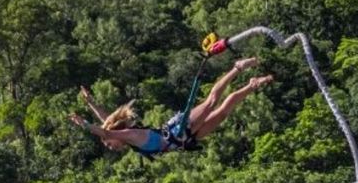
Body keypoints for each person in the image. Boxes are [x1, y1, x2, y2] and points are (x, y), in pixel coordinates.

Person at [69, 57, 272, 155]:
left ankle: (237, 67)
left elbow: (105, 132)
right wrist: (90, 103)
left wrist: (84, 125)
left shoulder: (129, 135)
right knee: (223, 112)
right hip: (185, 139)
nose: (109, 146)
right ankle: (251, 85)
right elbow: (107, 121)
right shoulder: (129, 139)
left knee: (210, 102)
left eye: (108, 144)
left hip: (179, 128)